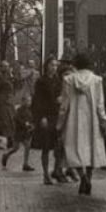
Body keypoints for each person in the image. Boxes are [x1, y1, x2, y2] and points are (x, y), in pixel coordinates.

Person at [57, 52, 106, 195]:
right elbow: (100, 104)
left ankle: (82, 176)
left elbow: (64, 105)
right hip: (92, 120)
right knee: (91, 150)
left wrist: (60, 123)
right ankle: (89, 179)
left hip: (74, 120)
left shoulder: (68, 80)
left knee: (74, 149)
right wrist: (103, 120)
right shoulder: (97, 80)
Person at [32, 55, 65, 185]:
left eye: (56, 65)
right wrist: (41, 117)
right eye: (52, 65)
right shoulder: (41, 81)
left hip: (57, 115)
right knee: (46, 146)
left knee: (59, 145)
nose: (54, 68)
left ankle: (57, 169)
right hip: (46, 115)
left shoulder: (58, 80)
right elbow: (38, 100)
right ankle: (45, 174)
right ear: (46, 66)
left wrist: (61, 99)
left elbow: (62, 94)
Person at [1, 95, 34, 172]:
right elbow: (16, 118)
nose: (29, 102)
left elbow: (30, 119)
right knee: (15, 148)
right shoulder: (19, 110)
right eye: (27, 101)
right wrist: (25, 124)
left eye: (30, 101)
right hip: (19, 132)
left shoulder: (29, 110)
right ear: (23, 101)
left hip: (25, 132)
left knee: (27, 146)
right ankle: (6, 155)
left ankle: (25, 164)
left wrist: (31, 125)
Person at [0, 61, 17, 168]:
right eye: (4, 66)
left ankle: (10, 140)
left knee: (11, 119)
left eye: (7, 66)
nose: (6, 68)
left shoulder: (9, 76)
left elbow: (14, 86)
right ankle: (4, 142)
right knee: (4, 121)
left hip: (9, 101)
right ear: (1, 67)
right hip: (2, 101)